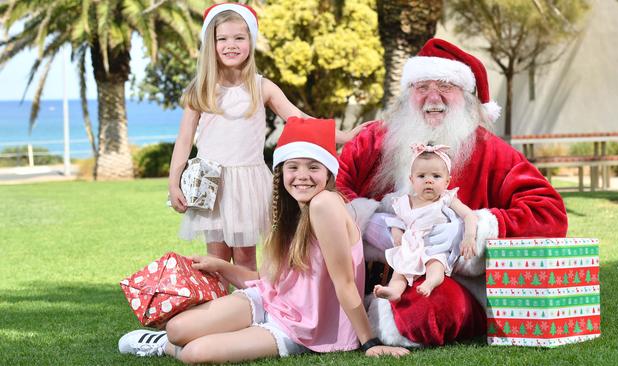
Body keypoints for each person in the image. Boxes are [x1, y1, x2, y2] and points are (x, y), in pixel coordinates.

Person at [119, 118, 409, 363]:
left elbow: (344, 282)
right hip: (271, 301)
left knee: (195, 353)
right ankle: (166, 340)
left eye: (313, 167)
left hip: (302, 327)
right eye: (293, 167)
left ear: (328, 172)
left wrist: (369, 342)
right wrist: (222, 265)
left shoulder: (325, 204)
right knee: (178, 328)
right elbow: (272, 281)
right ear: (281, 171)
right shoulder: (292, 211)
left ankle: (163, 347)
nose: (302, 176)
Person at [337, 38, 568, 346]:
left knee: (426, 311)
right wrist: (364, 225)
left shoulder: (491, 151)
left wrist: (473, 230)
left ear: (466, 96)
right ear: (408, 95)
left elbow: (549, 212)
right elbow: (329, 189)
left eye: (445, 85)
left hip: (448, 277)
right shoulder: (372, 141)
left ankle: (370, 319)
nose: (433, 98)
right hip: (366, 274)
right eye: (422, 87)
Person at [167, 3, 364, 274]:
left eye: (239, 38)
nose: (230, 45)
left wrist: (344, 136)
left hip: (247, 183)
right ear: (210, 44)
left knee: (246, 258)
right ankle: (221, 313)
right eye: (222, 39)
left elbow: (300, 119)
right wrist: (173, 182)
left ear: (251, 41)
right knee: (216, 259)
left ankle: (248, 311)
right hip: (209, 183)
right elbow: (184, 140)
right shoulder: (200, 90)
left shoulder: (262, 87)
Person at [373, 143, 477, 301]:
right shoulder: (405, 202)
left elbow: (469, 215)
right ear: (412, 180)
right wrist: (396, 233)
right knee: (400, 268)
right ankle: (395, 290)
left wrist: (469, 237)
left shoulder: (446, 199)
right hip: (412, 246)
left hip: (435, 246)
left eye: (436, 176)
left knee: (436, 264)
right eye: (422, 176)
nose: (429, 181)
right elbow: (397, 220)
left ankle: (430, 282)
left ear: (447, 182)